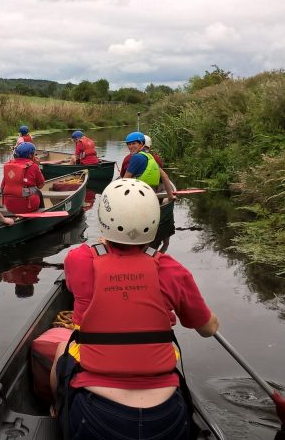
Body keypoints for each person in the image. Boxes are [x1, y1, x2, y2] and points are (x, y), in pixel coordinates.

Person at [50, 178, 219, 439]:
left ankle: (57, 409)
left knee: (62, 347)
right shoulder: (170, 269)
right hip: (167, 419)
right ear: (152, 223)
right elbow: (208, 330)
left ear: (104, 218)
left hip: (95, 418)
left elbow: (74, 288)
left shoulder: (78, 259)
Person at [122, 131, 176, 200]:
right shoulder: (150, 156)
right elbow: (164, 176)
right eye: (129, 144)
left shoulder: (136, 157)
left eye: (134, 143)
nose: (131, 146)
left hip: (140, 196)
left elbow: (124, 181)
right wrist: (170, 196)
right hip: (152, 194)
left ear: (141, 144)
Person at [1, 142, 45, 214]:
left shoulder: (9, 165)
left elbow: (3, 187)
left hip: (9, 206)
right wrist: (37, 166)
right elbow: (41, 185)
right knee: (38, 191)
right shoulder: (34, 166)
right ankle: (41, 213)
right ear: (31, 155)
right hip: (28, 206)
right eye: (34, 154)